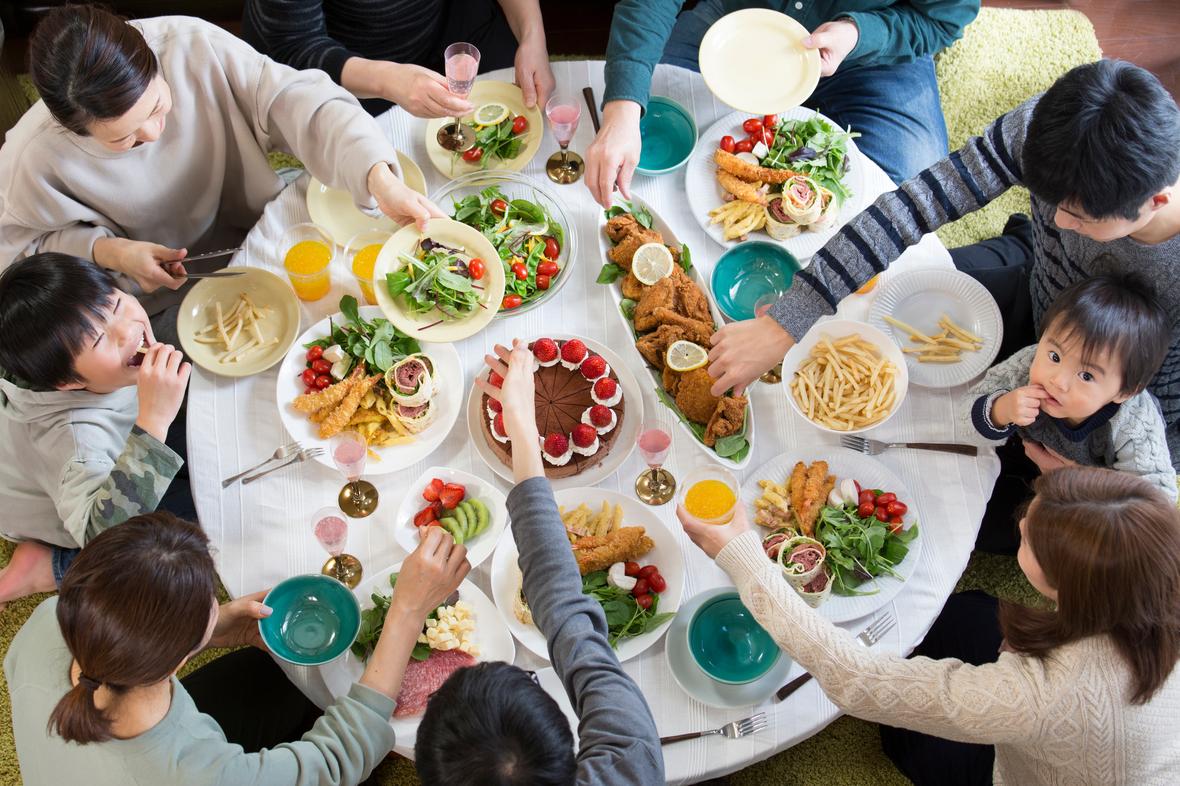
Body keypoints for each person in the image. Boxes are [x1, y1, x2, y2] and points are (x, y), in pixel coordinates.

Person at [706, 60, 1180, 467]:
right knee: (895, 298)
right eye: (1049, 202)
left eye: (1078, 217)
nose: (1055, 219)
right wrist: (785, 322)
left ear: (1154, 200)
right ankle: (1018, 244)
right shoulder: (1063, 123)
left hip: (1109, 383)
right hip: (1041, 292)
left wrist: (1095, 476)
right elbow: (915, 206)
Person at [678, 466, 1180, 785]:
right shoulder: (1162, 561)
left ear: (1072, 584)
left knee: (903, 737)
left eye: (1032, 537)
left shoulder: (1038, 695)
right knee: (967, 610)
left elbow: (861, 684)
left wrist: (743, 559)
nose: (1023, 524)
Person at [0, 6, 444, 341]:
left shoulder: (191, 46)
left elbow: (299, 100)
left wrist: (378, 179)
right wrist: (109, 252)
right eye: (125, 140)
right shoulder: (32, 159)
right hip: (162, 300)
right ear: (70, 128)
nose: (154, 133)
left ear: (154, 62)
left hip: (264, 235)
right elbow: (25, 261)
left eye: (157, 107)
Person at [5, 511, 470, 785]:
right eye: (211, 603)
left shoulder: (47, 622)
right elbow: (336, 760)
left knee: (277, 676)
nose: (217, 603)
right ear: (176, 657)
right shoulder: (204, 776)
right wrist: (407, 612)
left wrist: (215, 627)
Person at [413, 339, 664, 784]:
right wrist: (525, 434)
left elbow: (566, 617)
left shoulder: (629, 761)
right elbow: (566, 615)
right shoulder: (631, 764)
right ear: (565, 736)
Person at [585, 0, 980, 207]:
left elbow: (941, 20)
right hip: (737, 24)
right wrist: (622, 107)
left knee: (909, 192)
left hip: (871, 57)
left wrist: (859, 34)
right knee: (652, 133)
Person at [0, 255, 188, 606]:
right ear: (68, 382)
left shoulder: (59, 352)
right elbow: (106, 539)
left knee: (200, 437)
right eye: (100, 340)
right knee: (192, 519)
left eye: (115, 303)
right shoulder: (76, 442)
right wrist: (155, 421)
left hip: (93, 443)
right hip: (76, 513)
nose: (127, 329)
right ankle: (52, 565)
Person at [961, 273, 1176, 552]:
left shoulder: (1133, 423)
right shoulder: (1027, 364)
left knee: (1025, 541)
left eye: (1086, 376)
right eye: (1054, 356)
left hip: (1087, 491)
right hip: (1021, 451)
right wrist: (1001, 409)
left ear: (1125, 391)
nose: (1058, 381)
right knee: (964, 506)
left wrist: (1077, 479)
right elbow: (967, 408)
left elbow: (1158, 502)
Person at [243, 0, 555, 117]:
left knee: (515, 109)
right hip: (351, 62)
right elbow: (294, 46)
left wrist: (533, 36)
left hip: (446, 21)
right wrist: (389, 80)